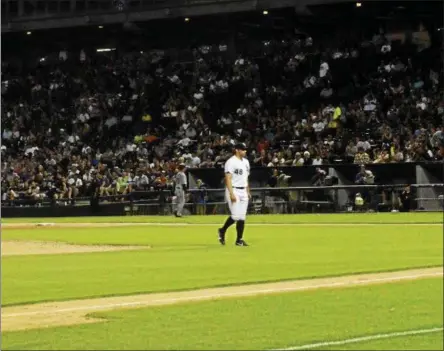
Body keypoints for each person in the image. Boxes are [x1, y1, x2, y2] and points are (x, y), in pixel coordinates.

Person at [218, 143, 251, 246]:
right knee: (236, 216)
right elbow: (228, 178)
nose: (245, 151)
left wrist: (248, 191)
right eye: (243, 149)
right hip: (234, 190)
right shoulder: (231, 162)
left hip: (243, 190)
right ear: (237, 150)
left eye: (245, 149)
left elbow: (246, 178)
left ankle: (239, 240)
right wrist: (231, 193)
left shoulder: (246, 162)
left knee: (242, 217)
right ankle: (222, 230)